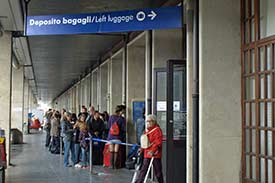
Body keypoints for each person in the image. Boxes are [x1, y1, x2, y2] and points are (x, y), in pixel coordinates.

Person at [135, 114, 164, 183]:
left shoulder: (157, 130)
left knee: (158, 171)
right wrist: (141, 149)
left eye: (149, 121)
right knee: (143, 169)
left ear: (154, 121)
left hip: (155, 154)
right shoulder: (147, 130)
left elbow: (158, 142)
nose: (148, 123)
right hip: (147, 152)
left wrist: (153, 150)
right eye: (147, 121)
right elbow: (144, 142)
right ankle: (139, 181)